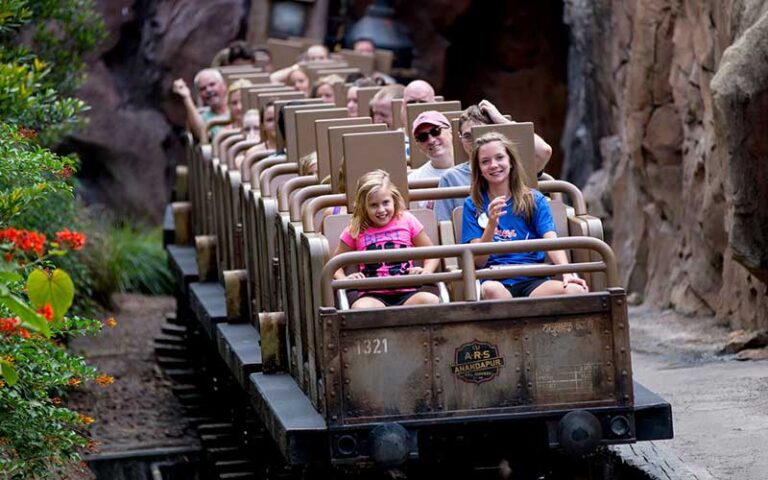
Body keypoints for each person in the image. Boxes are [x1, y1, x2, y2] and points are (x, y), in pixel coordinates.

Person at [461, 132, 588, 300]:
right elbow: (479, 261)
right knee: (492, 290)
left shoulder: (534, 199)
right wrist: (491, 225)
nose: (493, 165)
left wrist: (567, 273)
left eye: (499, 158)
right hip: (495, 279)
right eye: (485, 161)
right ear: (479, 170)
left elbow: (551, 240)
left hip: (533, 277)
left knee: (575, 290)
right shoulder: (472, 205)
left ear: (510, 162)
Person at [333, 170, 440, 309]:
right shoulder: (355, 228)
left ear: (394, 200)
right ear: (363, 206)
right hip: (372, 294)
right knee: (361, 308)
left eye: (385, 202)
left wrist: (426, 271)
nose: (381, 210)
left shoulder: (406, 219)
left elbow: (431, 253)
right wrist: (344, 279)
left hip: (408, 291)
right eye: (373, 205)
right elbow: (335, 264)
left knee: (430, 300)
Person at [434, 100, 554, 222]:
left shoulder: (511, 167)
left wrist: (503, 121)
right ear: (460, 138)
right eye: (467, 136)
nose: (476, 141)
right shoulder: (451, 178)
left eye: (482, 134)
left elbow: (544, 151)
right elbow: (443, 223)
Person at [408, 111, 455, 209]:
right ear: (418, 145)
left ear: (451, 131)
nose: (431, 140)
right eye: (423, 137)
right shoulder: (412, 181)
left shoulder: (474, 168)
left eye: (435, 131)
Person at [172, 68, 229, 143]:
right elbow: (202, 135)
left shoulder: (239, 107)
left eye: (212, 84)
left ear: (224, 85)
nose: (208, 90)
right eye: (203, 89)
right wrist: (186, 97)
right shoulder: (202, 117)